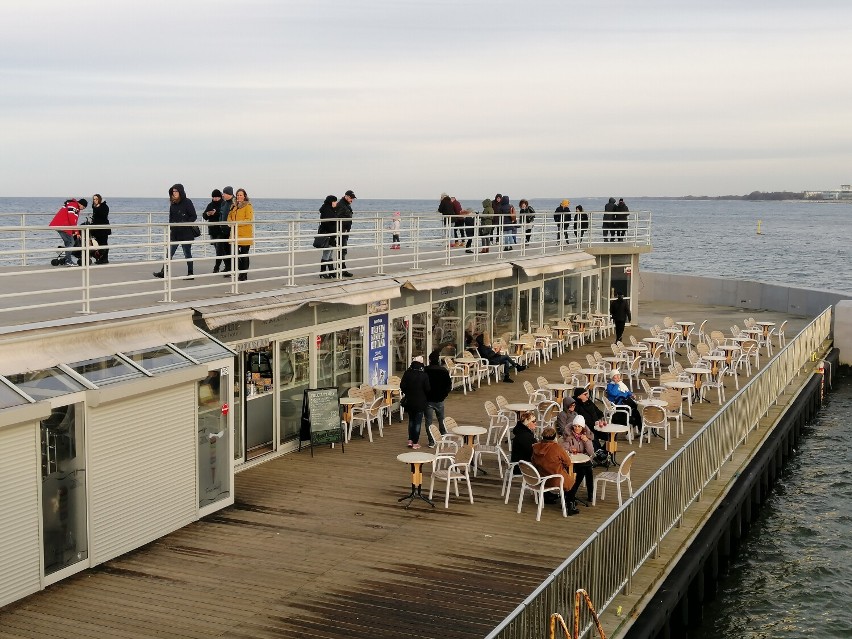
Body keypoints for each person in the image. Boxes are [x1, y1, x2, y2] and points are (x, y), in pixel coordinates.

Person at [532, 425, 581, 515]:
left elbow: (534, 461)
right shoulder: (557, 448)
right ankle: (570, 505)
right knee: (572, 482)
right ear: (554, 437)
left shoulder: (535, 447)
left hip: (541, 478)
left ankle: (547, 497)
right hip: (556, 479)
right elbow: (568, 462)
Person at [154, 184, 196, 279]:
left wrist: (184, 223)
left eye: (176, 191)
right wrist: (171, 227)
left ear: (180, 192)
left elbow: (194, 216)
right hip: (175, 233)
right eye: (173, 192)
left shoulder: (187, 202)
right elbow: (171, 217)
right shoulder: (173, 204)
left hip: (186, 233)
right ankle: (163, 272)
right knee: (169, 253)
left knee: (187, 253)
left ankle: (190, 273)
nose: (174, 193)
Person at [560, 415, 596, 503]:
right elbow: (563, 449)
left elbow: (591, 452)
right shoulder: (568, 435)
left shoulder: (586, 435)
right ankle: (571, 494)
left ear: (582, 427)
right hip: (571, 460)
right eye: (575, 426)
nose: (577, 428)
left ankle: (589, 493)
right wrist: (569, 449)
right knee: (584, 469)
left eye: (579, 426)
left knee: (588, 468)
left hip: (582, 460)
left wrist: (587, 441)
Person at [399, 355, 431, 449]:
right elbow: (427, 389)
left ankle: (410, 440)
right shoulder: (424, 375)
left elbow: (402, 386)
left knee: (411, 421)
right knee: (417, 422)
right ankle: (415, 442)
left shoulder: (407, 373)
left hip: (409, 400)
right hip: (420, 402)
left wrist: (408, 392)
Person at [424, 351, 452, 448]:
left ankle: (431, 441)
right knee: (441, 419)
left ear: (430, 360)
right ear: (438, 360)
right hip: (439, 399)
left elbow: (423, 384)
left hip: (428, 399)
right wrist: (444, 395)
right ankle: (443, 438)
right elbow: (449, 385)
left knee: (428, 422)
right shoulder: (443, 371)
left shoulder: (425, 370)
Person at [49, 198, 86, 266]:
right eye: (83, 207)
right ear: (80, 204)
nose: (82, 209)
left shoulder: (72, 205)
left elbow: (72, 220)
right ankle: (68, 261)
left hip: (61, 225)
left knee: (68, 243)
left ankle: (67, 259)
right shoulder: (74, 206)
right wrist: (77, 232)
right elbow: (72, 219)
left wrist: (73, 231)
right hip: (63, 226)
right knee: (71, 242)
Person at [227, 188, 253, 281]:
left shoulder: (248, 206)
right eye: (237, 195)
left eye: (241, 195)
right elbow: (229, 216)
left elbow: (249, 219)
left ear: (244, 196)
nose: (239, 197)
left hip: (245, 233)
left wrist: (237, 223)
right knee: (234, 253)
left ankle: (243, 274)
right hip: (234, 234)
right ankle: (241, 271)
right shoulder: (234, 206)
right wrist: (230, 223)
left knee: (244, 254)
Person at [202, 190, 226, 272]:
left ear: (220, 197)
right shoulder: (210, 205)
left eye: (217, 197)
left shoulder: (223, 204)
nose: (215, 199)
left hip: (220, 230)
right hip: (212, 230)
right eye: (214, 197)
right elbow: (204, 216)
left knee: (220, 249)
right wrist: (208, 214)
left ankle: (216, 267)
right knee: (219, 249)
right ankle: (228, 265)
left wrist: (215, 213)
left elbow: (224, 214)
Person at [316, 195, 338, 278]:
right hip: (328, 234)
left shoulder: (329, 209)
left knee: (330, 252)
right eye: (335, 201)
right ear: (331, 202)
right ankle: (323, 272)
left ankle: (331, 271)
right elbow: (328, 223)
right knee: (327, 252)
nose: (336, 203)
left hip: (331, 234)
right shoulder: (327, 210)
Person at [337, 189, 356, 277]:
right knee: (342, 250)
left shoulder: (345, 204)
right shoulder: (342, 205)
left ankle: (341, 268)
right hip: (342, 230)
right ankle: (341, 269)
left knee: (343, 250)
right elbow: (339, 217)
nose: (352, 200)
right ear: (346, 197)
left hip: (344, 230)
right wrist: (343, 228)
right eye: (351, 198)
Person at [218, 187, 235, 275]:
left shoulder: (234, 203)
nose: (223, 195)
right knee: (224, 249)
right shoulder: (224, 203)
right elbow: (221, 214)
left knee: (231, 250)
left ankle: (232, 268)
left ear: (229, 194)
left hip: (231, 230)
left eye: (224, 193)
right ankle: (227, 267)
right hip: (223, 229)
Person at [89, 194, 110, 264]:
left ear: (99, 199)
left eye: (96, 199)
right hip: (96, 228)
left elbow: (103, 215)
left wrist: (97, 208)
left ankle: (105, 258)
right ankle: (100, 257)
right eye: (94, 199)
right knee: (98, 243)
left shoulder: (104, 206)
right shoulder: (94, 206)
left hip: (103, 228)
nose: (95, 201)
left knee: (103, 243)